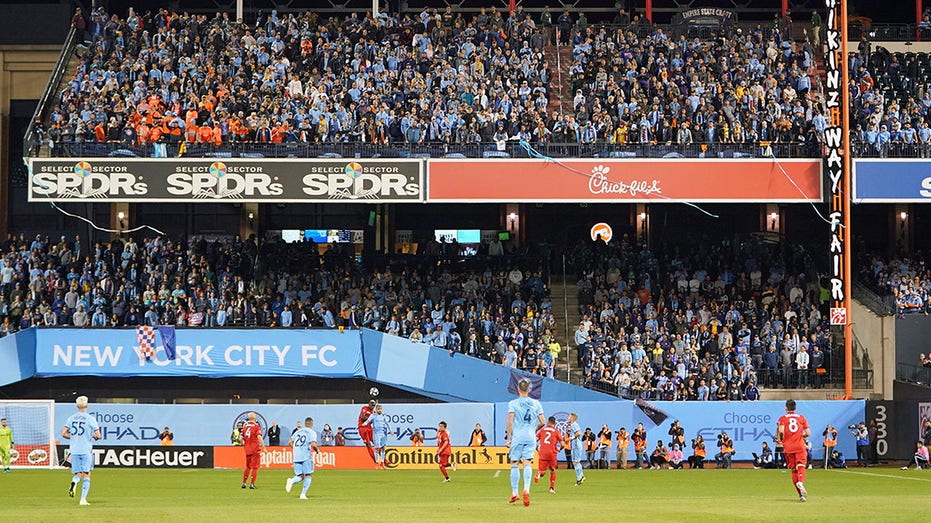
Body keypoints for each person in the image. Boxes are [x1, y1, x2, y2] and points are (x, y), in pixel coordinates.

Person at [505, 379, 545, 506]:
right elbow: (543, 421)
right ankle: (526, 489)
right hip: (530, 436)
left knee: (514, 463)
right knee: (527, 462)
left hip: (518, 436)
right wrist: (534, 429)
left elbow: (510, 421)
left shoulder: (513, 403)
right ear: (529, 389)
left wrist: (508, 438)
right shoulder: (536, 403)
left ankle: (515, 492)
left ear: (518, 389)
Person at [62, 395, 101, 505]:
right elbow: (98, 435)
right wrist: (94, 437)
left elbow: (63, 433)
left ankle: (74, 482)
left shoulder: (71, 418)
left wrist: (73, 437)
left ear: (77, 405)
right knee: (87, 474)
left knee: (78, 473)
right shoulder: (90, 418)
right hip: (85, 450)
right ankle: (83, 499)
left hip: (74, 450)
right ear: (87, 405)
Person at [776, 399, 811, 502]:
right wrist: (801, 436)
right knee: (801, 465)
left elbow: (781, 431)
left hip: (788, 447)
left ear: (786, 408)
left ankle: (801, 495)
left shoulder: (782, 418)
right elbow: (808, 433)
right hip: (799, 445)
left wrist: (782, 440)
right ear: (795, 408)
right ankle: (801, 482)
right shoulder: (801, 418)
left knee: (794, 470)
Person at [285, 417, 319, 500]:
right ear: (312, 424)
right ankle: (303, 494)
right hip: (306, 456)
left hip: (296, 456)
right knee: (308, 475)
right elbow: (313, 445)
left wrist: (295, 449)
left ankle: (291, 481)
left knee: (300, 476)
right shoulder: (312, 432)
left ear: (305, 423)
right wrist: (317, 451)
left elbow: (289, 442)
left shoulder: (298, 431)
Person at [535, 416, 562, 493]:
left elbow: (535, 440)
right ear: (554, 423)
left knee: (542, 471)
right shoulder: (556, 431)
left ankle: (538, 473)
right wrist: (559, 449)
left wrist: (536, 448)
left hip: (542, 453)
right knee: (553, 470)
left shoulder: (542, 430)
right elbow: (562, 443)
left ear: (548, 422)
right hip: (552, 453)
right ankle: (551, 488)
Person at [362, 404, 391, 469]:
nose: (380, 410)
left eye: (380, 409)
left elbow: (387, 424)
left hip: (383, 434)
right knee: (377, 449)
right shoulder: (373, 416)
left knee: (383, 448)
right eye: (378, 409)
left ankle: (382, 463)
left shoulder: (384, 416)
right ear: (376, 409)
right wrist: (364, 424)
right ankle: (377, 464)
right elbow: (368, 421)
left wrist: (391, 431)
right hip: (376, 434)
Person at [241, 412, 264, 489]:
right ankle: (252, 484)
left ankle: (244, 483)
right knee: (255, 467)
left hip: (247, 449)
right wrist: (263, 447)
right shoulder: (256, 426)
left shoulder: (245, 427)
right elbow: (259, 437)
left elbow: (241, 439)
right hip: (255, 449)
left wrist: (245, 444)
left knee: (247, 467)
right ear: (255, 418)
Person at [566, 413, 586, 485]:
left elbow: (578, 433)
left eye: (569, 416)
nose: (568, 417)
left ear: (572, 418)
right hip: (575, 445)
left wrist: (570, 438)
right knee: (577, 461)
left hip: (576, 445)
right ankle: (581, 476)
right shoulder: (572, 425)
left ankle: (579, 479)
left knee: (575, 462)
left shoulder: (574, 424)